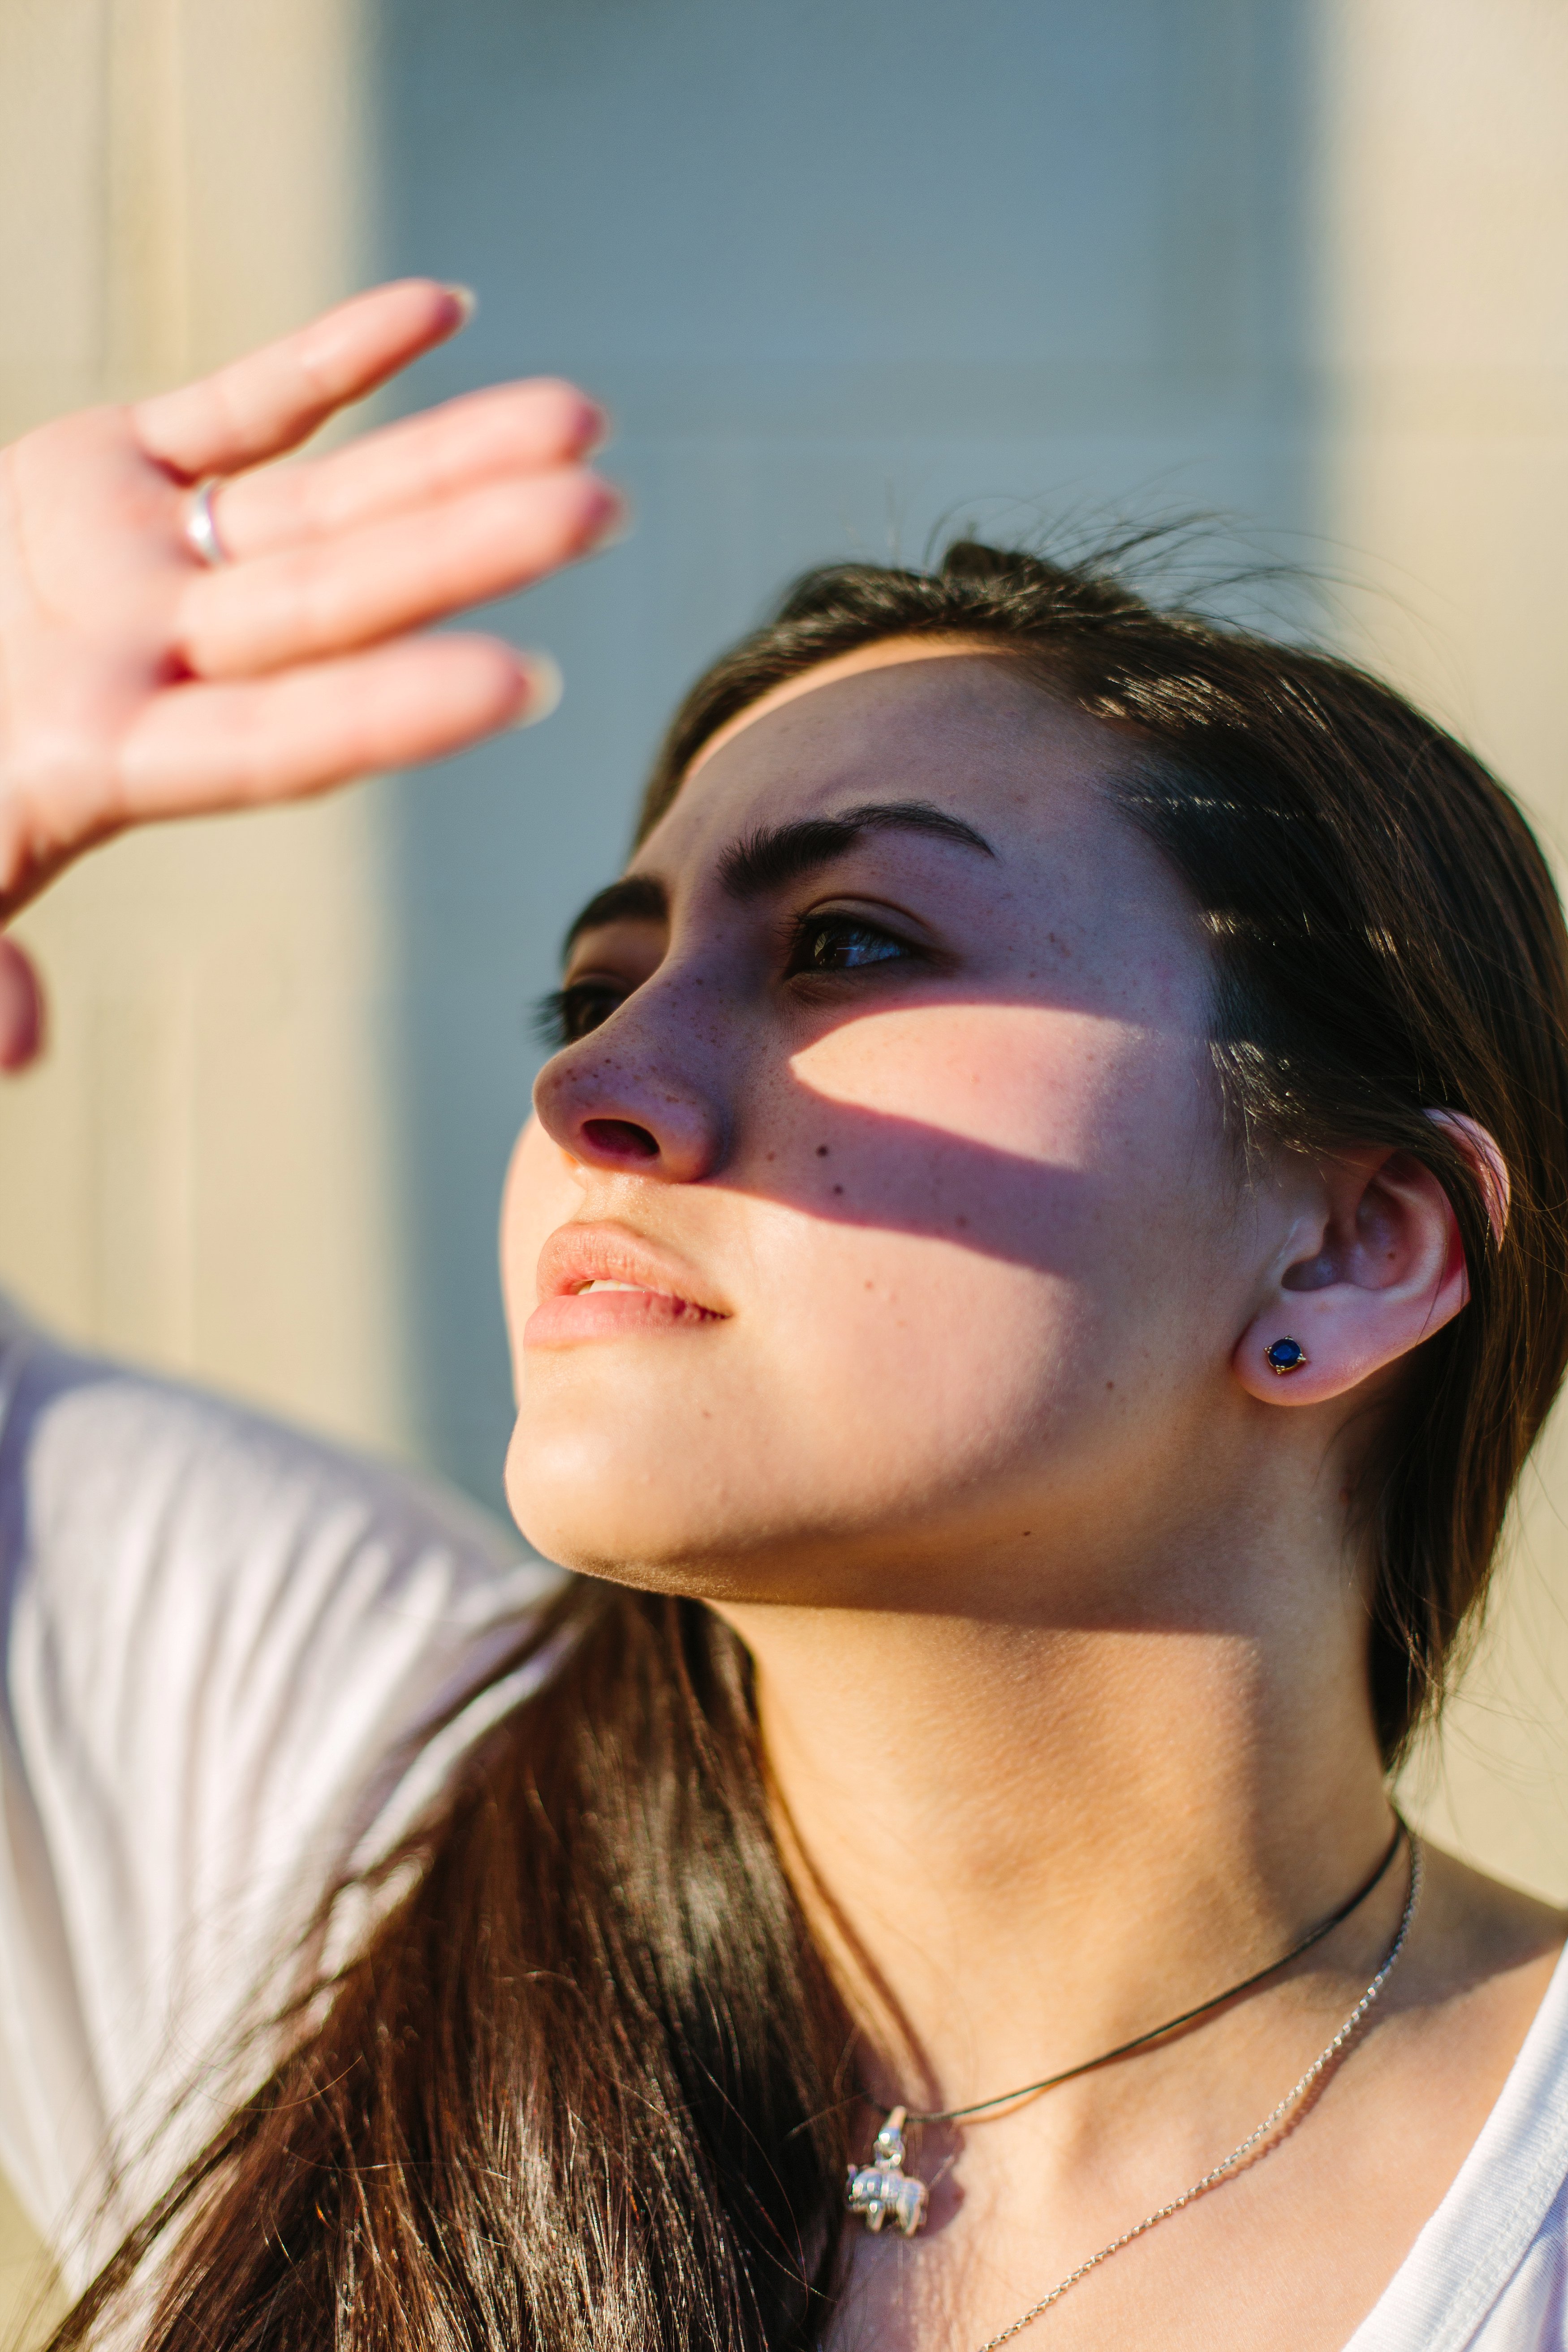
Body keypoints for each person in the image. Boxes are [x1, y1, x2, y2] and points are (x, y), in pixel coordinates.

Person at [0, 281, 1566, 2352]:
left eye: (845, 939)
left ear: (1350, 1245)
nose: (593, 1089)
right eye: (593, 988)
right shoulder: (321, 1799)